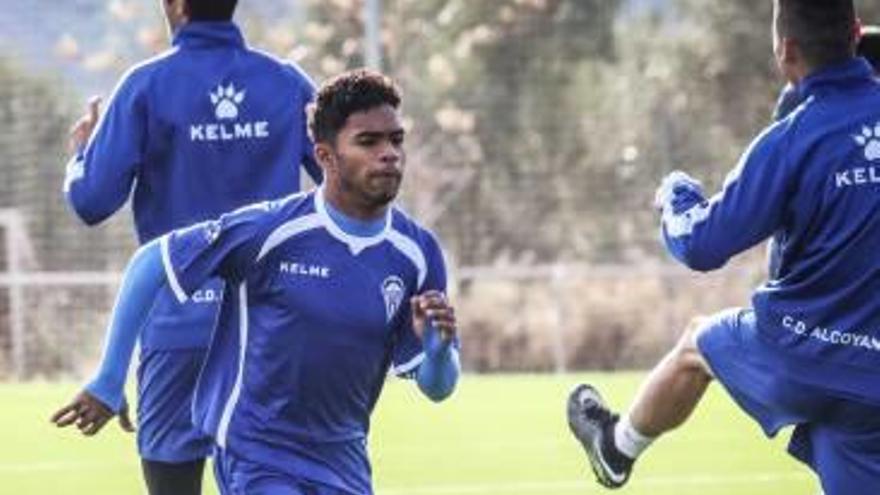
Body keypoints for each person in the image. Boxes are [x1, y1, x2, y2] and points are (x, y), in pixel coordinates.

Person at [52, 68, 462, 495]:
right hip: (258, 458)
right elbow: (149, 262)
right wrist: (109, 377)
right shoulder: (271, 230)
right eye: (368, 142)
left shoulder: (417, 253)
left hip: (344, 465)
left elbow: (439, 388)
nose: (389, 154)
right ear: (324, 157)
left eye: (396, 140)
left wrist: (437, 351)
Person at [567, 1, 880, 494]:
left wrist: (676, 194)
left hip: (797, 354)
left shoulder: (790, 140)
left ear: (785, 51)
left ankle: (615, 447)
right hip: (873, 381)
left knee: (696, 343)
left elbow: (702, 244)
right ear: (857, 32)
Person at [51, 0, 321, 493]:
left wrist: (80, 156)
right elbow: (346, 185)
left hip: (180, 327)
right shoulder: (286, 84)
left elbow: (91, 201)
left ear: (175, 5)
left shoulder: (146, 86)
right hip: (273, 331)